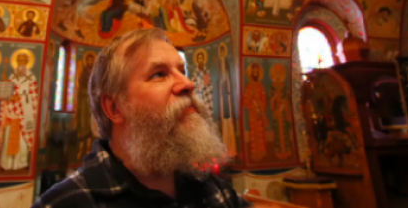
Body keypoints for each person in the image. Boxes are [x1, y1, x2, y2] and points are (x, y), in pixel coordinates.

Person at [31, 29, 248, 208]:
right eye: (159, 74)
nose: (188, 84)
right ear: (115, 108)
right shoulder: (66, 203)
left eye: (182, 70)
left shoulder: (210, 188)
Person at [0, 51, 38, 170]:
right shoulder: (11, 77)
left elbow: (34, 95)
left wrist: (22, 100)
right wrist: (9, 97)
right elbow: (6, 93)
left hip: (26, 110)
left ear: (27, 62)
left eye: (23, 61)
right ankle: (6, 163)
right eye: (19, 61)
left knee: (22, 138)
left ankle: (22, 162)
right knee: (9, 136)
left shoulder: (31, 77)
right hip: (12, 110)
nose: (21, 64)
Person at [192, 51, 213, 116]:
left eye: (201, 58)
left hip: (206, 93)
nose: (200, 60)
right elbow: (194, 82)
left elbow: (207, 84)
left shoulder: (206, 70)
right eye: (199, 58)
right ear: (197, 60)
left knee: (208, 112)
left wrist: (202, 84)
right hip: (199, 94)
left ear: (203, 59)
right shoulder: (195, 71)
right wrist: (197, 84)